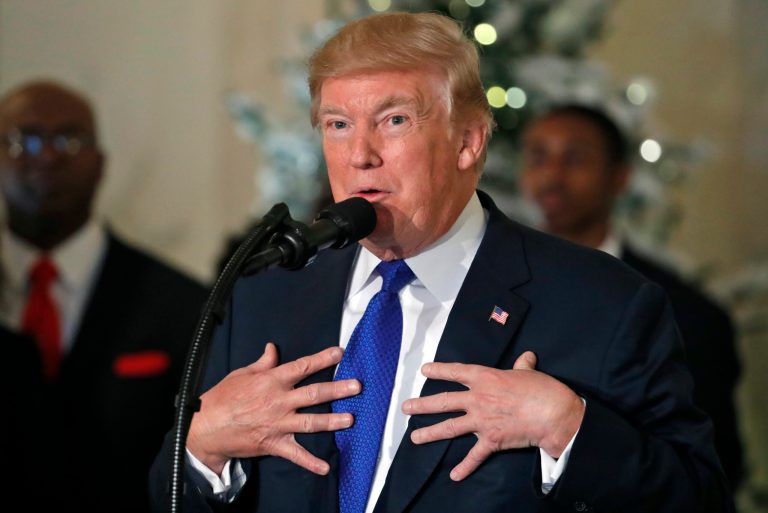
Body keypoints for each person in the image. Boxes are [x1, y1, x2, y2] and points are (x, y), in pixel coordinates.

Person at [150, 12, 732, 513]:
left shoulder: (601, 303)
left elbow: (697, 497)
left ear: (468, 142)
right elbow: (168, 496)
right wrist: (203, 449)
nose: (360, 155)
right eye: (338, 125)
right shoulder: (266, 295)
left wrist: (570, 430)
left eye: (394, 120)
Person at [0, 80, 208, 513]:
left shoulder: (184, 306)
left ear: (100, 162)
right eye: (25, 139)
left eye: (69, 138)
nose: (48, 155)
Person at [518, 104, 744, 491]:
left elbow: (712, 470)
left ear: (618, 176)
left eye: (575, 158)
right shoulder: (493, 284)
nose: (552, 175)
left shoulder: (688, 313)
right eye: (539, 157)